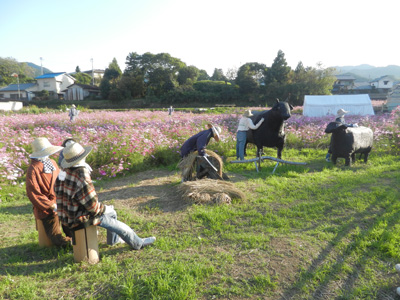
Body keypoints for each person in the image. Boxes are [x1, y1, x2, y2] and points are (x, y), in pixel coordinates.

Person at [55, 142, 156, 250]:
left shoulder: (64, 172)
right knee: (121, 226)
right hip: (79, 218)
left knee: (112, 213)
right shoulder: (81, 175)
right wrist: (105, 208)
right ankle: (138, 243)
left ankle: (113, 240)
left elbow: (60, 194)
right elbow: (93, 207)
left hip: (66, 217)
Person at [26, 137, 72, 247]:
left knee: (70, 224)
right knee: (55, 235)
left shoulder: (52, 162)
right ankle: (68, 243)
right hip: (47, 207)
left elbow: (60, 178)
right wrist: (50, 205)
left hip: (60, 201)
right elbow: (34, 193)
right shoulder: (33, 169)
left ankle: (76, 239)